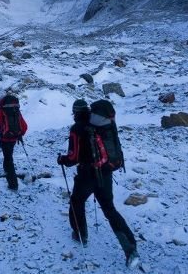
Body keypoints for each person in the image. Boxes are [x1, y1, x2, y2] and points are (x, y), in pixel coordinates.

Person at [57, 99, 140, 268]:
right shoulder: (101, 124)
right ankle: (130, 248)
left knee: (77, 201)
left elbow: (73, 158)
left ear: (75, 112)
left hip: (87, 175)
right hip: (106, 173)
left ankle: (81, 233)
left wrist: (62, 160)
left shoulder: (77, 128)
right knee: (110, 210)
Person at [0, 94, 28, 190]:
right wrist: (19, 134)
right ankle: (9, 172)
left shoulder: (1, 110)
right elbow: (24, 126)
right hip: (14, 138)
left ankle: (13, 183)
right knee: (8, 156)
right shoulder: (16, 111)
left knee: (8, 159)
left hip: (4, 138)